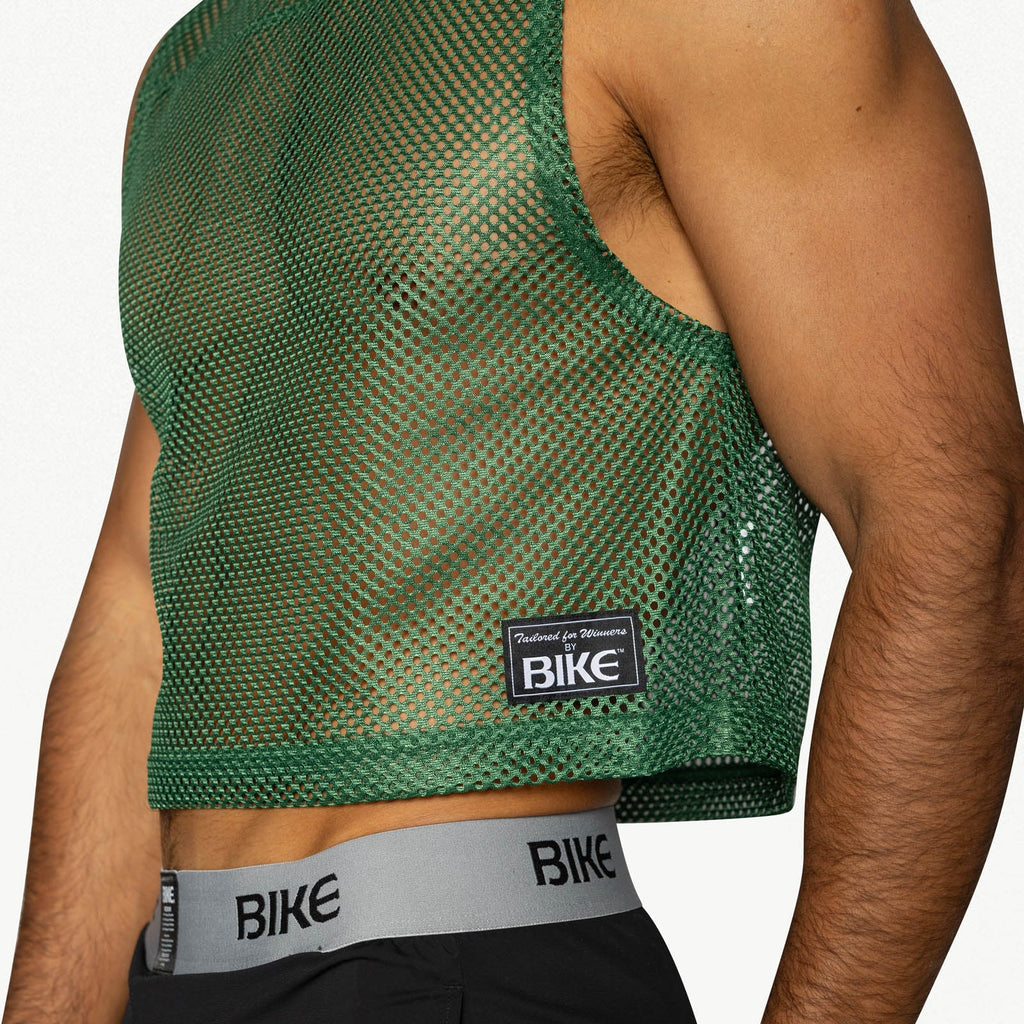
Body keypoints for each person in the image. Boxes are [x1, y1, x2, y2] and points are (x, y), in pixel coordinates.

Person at [4, 0, 1024, 1022]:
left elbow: (949, 516)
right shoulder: (199, 61)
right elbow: (139, 603)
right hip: (178, 972)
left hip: (467, 965)